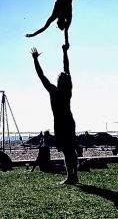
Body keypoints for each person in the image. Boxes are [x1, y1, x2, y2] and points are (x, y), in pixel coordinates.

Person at [30, 44, 78, 184]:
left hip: (61, 123)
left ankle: (71, 177)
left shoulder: (54, 91)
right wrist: (64, 52)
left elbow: (41, 75)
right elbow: (66, 68)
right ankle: (74, 176)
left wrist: (35, 59)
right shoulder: (67, 91)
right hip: (69, 121)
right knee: (71, 150)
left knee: (66, 151)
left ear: (58, 81)